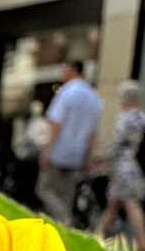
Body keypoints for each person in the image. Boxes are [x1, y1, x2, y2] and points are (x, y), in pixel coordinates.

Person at [36, 60, 103, 224]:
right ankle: (62, 230)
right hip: (78, 154)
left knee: (44, 189)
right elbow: (93, 131)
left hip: (59, 151)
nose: (62, 74)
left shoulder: (66, 92)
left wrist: (46, 150)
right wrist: (88, 156)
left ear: (73, 70)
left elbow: (55, 123)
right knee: (67, 194)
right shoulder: (93, 96)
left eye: (64, 69)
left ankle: (64, 218)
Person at [95, 81, 145, 251]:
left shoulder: (125, 118)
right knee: (114, 203)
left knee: (129, 202)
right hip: (139, 168)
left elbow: (118, 143)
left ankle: (142, 240)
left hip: (124, 167)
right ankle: (96, 235)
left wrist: (102, 158)